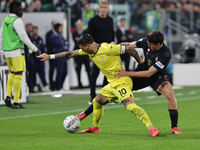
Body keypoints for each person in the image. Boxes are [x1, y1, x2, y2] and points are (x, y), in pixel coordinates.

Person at [37, 33, 160, 137]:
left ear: (89, 46)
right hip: (112, 84)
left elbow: (129, 49)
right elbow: (70, 54)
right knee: (97, 102)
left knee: (130, 106)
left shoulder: (107, 49)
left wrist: (140, 61)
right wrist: (50, 56)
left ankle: (152, 128)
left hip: (122, 81)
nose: (82, 51)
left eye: (83, 48)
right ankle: (95, 127)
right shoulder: (90, 51)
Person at [75, 31, 182, 135]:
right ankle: (85, 115)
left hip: (156, 76)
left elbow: (149, 73)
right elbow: (128, 45)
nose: (148, 45)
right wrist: (113, 47)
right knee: (105, 96)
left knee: (170, 94)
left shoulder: (165, 54)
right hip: (139, 73)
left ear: (159, 44)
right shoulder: (146, 41)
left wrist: (127, 73)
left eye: (151, 45)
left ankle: (174, 127)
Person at [0, 1, 39, 108]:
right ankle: (16, 101)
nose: (22, 12)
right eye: (19, 10)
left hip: (7, 52)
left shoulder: (5, 20)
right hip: (17, 51)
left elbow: (1, 37)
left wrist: (2, 51)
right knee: (18, 74)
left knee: (12, 73)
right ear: (13, 10)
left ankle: (8, 96)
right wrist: (34, 48)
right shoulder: (17, 21)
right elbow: (23, 37)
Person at [88, 0, 115, 104]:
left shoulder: (110, 20)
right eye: (102, 7)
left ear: (108, 8)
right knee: (94, 74)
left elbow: (112, 34)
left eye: (105, 7)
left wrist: (113, 44)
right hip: (97, 52)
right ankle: (92, 97)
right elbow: (89, 38)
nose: (103, 9)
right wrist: (91, 53)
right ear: (98, 8)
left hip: (108, 51)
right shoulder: (93, 21)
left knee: (108, 75)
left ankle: (105, 97)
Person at [50, 23, 69, 91]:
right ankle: (58, 87)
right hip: (58, 57)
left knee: (65, 72)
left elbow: (66, 44)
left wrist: (63, 46)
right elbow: (60, 44)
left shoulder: (61, 36)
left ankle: (60, 85)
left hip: (64, 57)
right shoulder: (53, 37)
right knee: (59, 72)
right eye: (60, 28)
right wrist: (63, 46)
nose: (61, 29)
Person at [72, 20, 90, 88]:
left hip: (85, 54)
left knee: (88, 69)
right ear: (76, 26)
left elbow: (85, 41)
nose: (80, 26)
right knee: (78, 69)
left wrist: (79, 39)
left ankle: (90, 83)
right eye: (79, 25)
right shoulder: (74, 33)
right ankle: (79, 83)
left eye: (81, 25)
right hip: (78, 55)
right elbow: (78, 42)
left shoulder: (86, 32)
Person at [31, 26, 49, 92]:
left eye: (36, 30)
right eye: (34, 30)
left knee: (42, 73)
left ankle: (45, 85)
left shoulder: (40, 39)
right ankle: (34, 86)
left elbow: (43, 49)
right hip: (34, 59)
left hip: (40, 59)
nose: (35, 31)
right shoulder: (31, 39)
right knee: (33, 73)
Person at [45, 20, 58, 91]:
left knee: (59, 70)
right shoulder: (49, 34)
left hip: (58, 55)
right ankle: (51, 84)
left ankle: (57, 84)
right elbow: (48, 45)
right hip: (51, 55)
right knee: (52, 70)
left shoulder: (59, 33)